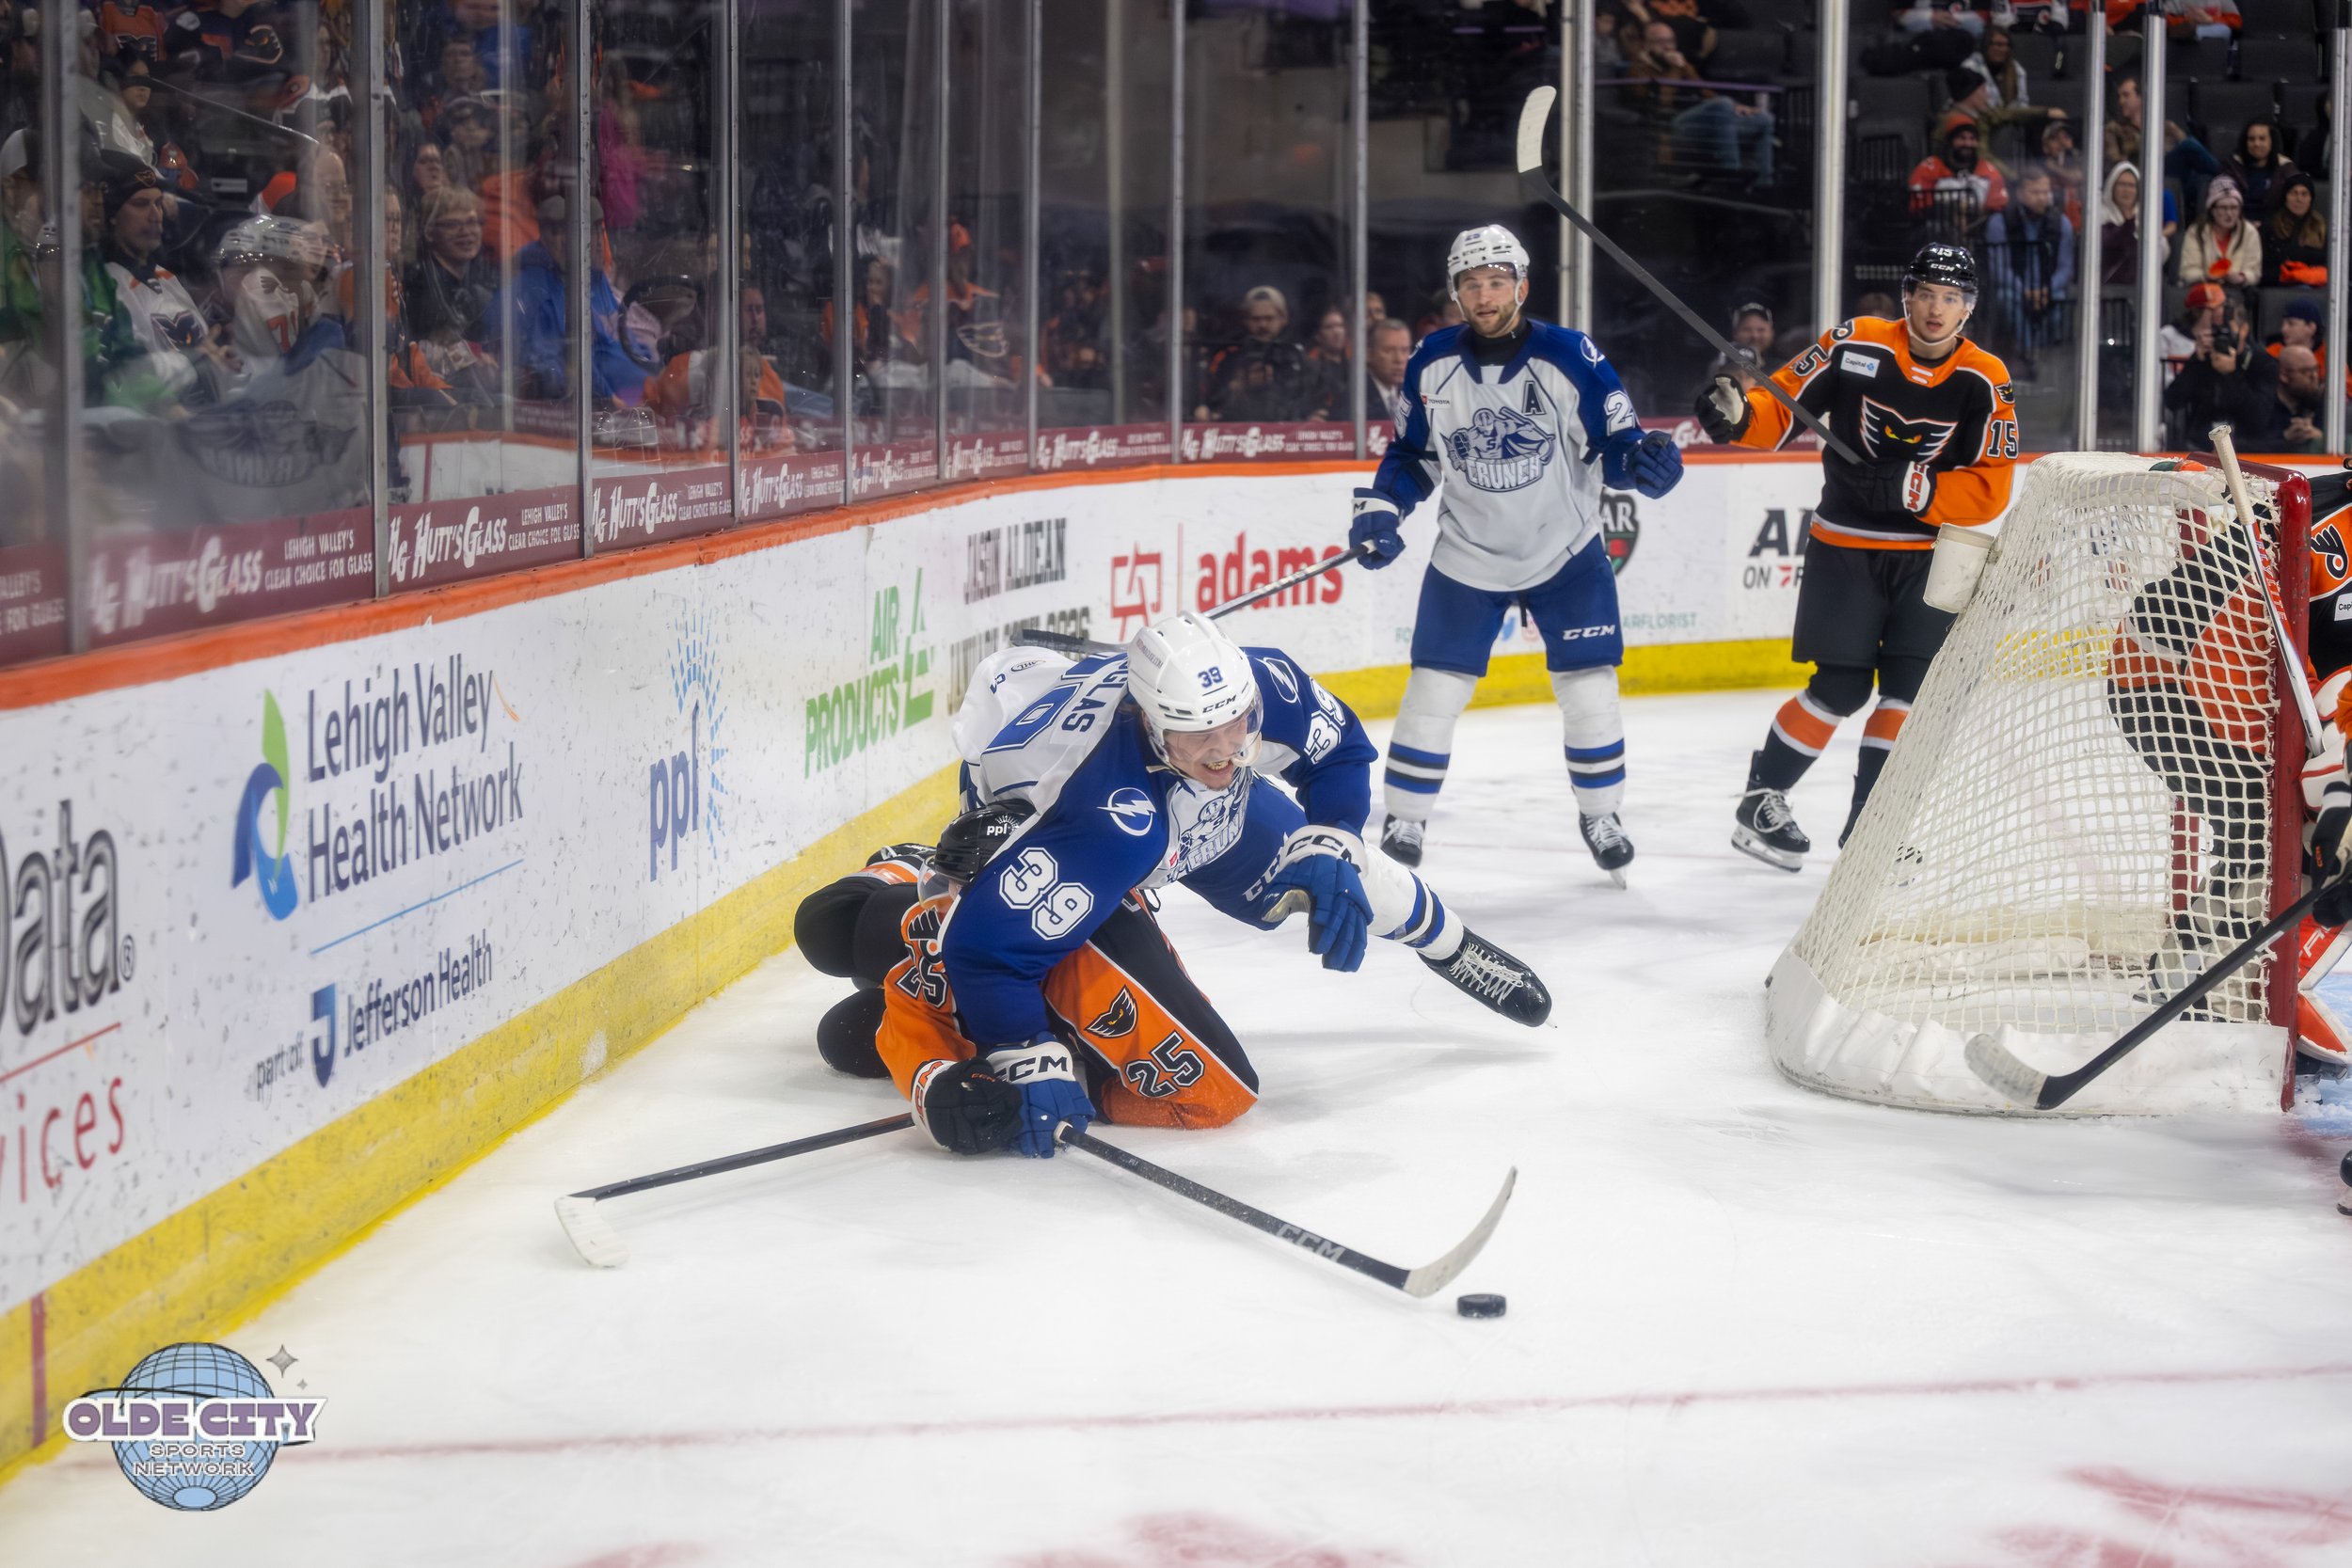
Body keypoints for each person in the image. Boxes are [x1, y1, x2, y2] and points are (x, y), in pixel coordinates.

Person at [853, 616, 1553, 1158]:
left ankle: (1450, 944)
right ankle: (928, 888)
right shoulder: (1105, 820)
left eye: (1237, 729)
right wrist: (1023, 1050)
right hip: (1064, 832)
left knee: (1335, 870)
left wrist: (1333, 833)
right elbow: (987, 951)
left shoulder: (1261, 685)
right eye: (1197, 739)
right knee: (1049, 956)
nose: (1225, 753)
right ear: (1152, 725)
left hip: (1177, 809)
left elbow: (1339, 751)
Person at [1347, 225, 1684, 879]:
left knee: (1590, 689)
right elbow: (1414, 455)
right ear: (1456, 292)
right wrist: (1384, 508)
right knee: (1431, 691)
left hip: (1565, 552)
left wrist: (1641, 462)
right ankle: (1407, 818)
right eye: (1471, 284)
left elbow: (1614, 443)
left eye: (1497, 281)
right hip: (1468, 555)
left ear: (1522, 286)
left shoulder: (1570, 356)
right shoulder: (1431, 361)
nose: (1485, 294)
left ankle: (1601, 813)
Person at [1694, 243, 2017, 867]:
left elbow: (1991, 484)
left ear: (1967, 308)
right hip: (1845, 546)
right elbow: (1781, 407)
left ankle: (1870, 835)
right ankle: (1763, 798)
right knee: (1839, 687)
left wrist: (1917, 488)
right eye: (1925, 293)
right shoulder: (1856, 341)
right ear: (1907, 296)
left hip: (1929, 555)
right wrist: (1739, 415)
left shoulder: (1985, 377)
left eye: (1950, 298)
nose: (1935, 308)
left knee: (1908, 690)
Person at [1984, 166, 2074, 372]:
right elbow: (2000, 268)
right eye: (2035, 192)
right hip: (2015, 288)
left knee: (2059, 300)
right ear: (2020, 193)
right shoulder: (2000, 222)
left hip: (2049, 288)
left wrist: (2046, 289)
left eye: (2045, 192)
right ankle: (2028, 350)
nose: (2042, 198)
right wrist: (2024, 291)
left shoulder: (2062, 223)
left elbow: (2065, 268)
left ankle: (2041, 353)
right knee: (2006, 298)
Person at [2159, 294, 2271, 449]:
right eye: (2215, 329)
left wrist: (2231, 375)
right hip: (2200, 446)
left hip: (2247, 449)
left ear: (2243, 330)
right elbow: (2172, 401)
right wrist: (2195, 363)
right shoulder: (2203, 359)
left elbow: (2258, 420)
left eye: (2225, 329)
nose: (2219, 335)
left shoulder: (2262, 361)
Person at [1909, 119, 2009, 230]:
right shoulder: (1931, 167)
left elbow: (1998, 203)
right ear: (1950, 141)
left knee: (1996, 221)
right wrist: (1951, 211)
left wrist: (1973, 213)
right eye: (1962, 138)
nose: (1968, 143)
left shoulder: (1987, 169)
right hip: (1940, 226)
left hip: (1978, 227)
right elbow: (1919, 205)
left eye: (1972, 139)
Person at [2174, 176, 2261, 291]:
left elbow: (2254, 272)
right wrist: (2207, 276)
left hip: (2237, 291)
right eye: (2223, 208)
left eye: (2234, 208)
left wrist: (2241, 278)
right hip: (2204, 289)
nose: (2229, 214)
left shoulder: (2249, 232)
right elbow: (2188, 271)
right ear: (2212, 209)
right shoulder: (2196, 231)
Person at [2263, 172, 2327, 288]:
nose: (2299, 199)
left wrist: (2293, 255)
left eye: (2304, 194)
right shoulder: (2271, 224)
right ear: (2285, 197)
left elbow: (2327, 259)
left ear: (2311, 199)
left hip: (2316, 286)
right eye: (2294, 193)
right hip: (2280, 285)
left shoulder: (2321, 226)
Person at [2222, 119, 2294, 220]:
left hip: (2274, 227)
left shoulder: (2286, 168)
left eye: (2262, 139)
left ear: (2272, 142)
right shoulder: (2232, 166)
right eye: (2251, 139)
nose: (2256, 144)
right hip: (2237, 225)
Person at [2264, 346, 2326, 453]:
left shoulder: (2324, 403)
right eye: (2305, 371)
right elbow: (2246, 445)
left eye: (2316, 369)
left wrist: (2319, 437)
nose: (2314, 376)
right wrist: (2284, 438)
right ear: (2284, 375)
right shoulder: (2262, 405)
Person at [2099, 161, 2143, 286]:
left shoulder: (2145, 218)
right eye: (2122, 184)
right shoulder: (2100, 215)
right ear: (2112, 186)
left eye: (2131, 185)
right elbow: (2110, 243)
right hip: (2109, 292)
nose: (2127, 190)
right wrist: (2128, 224)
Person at [1364, 315, 1411, 428]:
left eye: (1404, 350)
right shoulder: (1355, 398)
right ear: (1369, 354)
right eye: (1388, 350)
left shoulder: (1413, 393)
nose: (1399, 359)